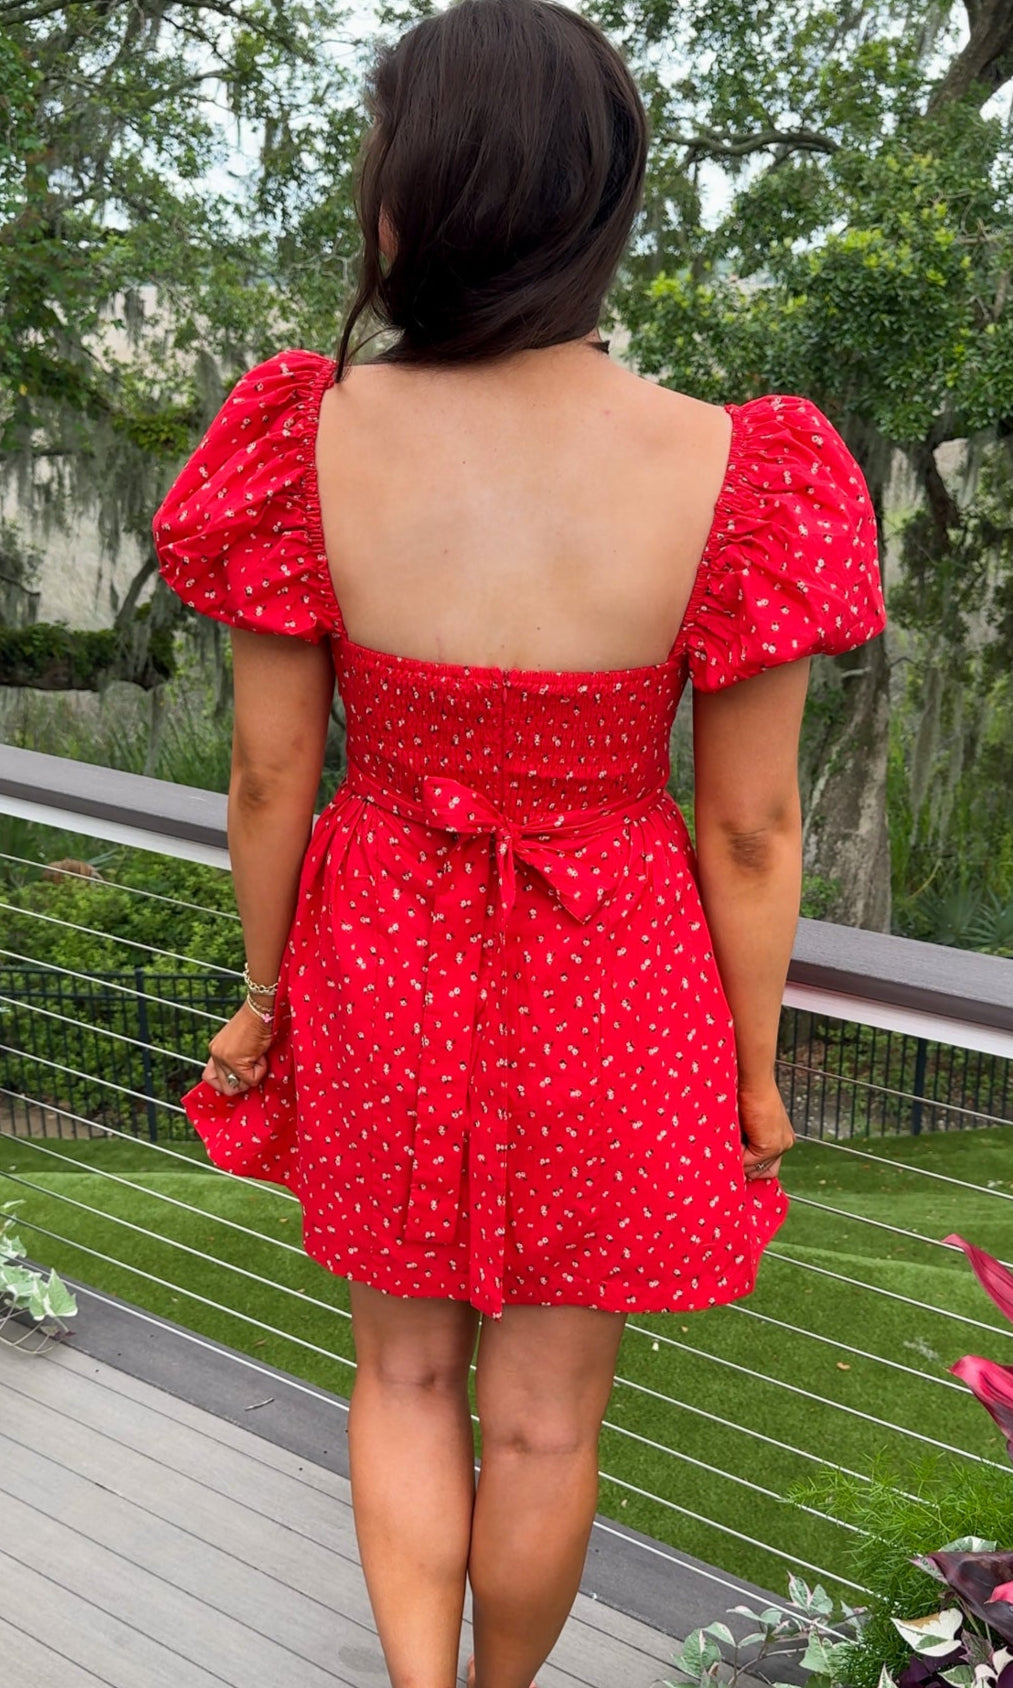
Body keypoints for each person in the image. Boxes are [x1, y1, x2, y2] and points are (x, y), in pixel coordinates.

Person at [152, 2, 887, 1684]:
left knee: (402, 1374)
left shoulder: (301, 435)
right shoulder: (738, 465)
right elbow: (750, 825)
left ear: (416, 185)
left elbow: (270, 774)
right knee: (549, 1422)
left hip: (380, 939)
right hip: (618, 961)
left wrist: (262, 998)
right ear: (596, 199)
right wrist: (751, 1067)